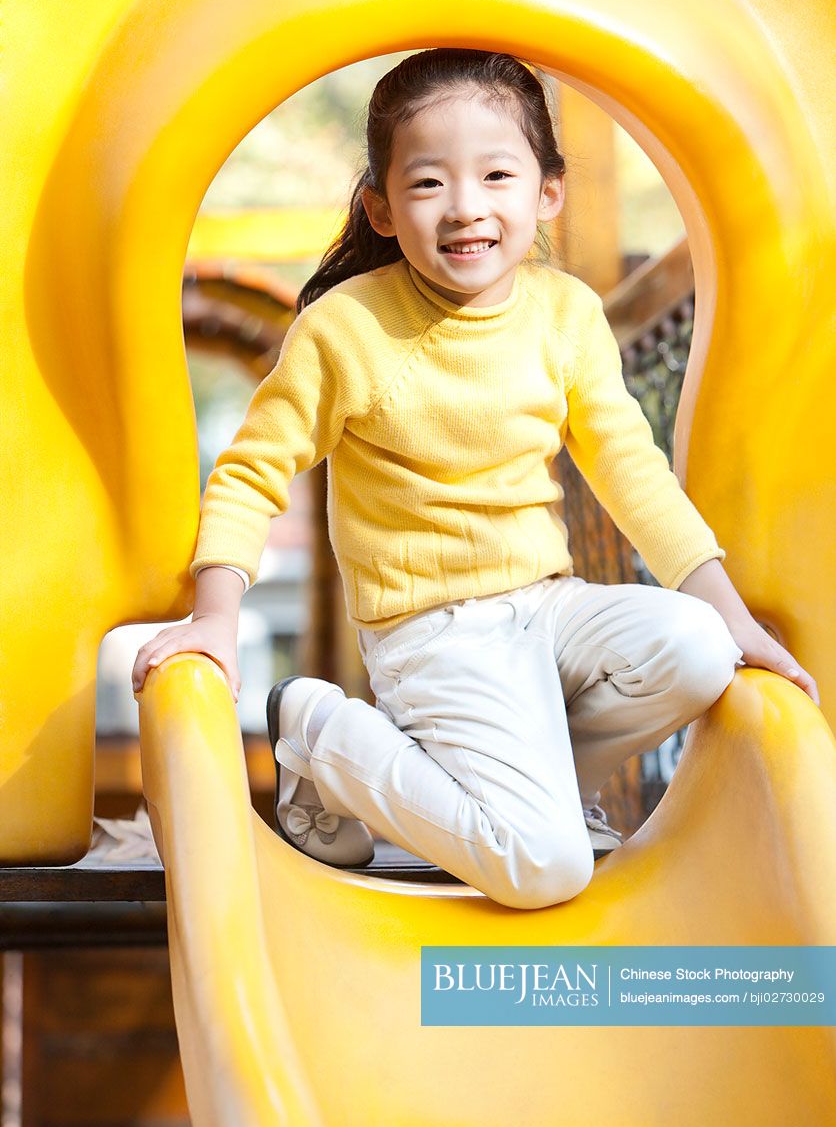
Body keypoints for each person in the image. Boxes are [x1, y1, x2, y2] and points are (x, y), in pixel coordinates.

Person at [132, 48, 819, 910]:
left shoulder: (563, 314)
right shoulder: (348, 328)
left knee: (700, 651)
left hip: (549, 606)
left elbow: (630, 468)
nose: (466, 207)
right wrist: (216, 618)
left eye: (497, 174)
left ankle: (539, 792)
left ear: (547, 193)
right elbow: (250, 471)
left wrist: (733, 613)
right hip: (434, 631)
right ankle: (319, 729)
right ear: (381, 208)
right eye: (427, 184)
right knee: (548, 870)